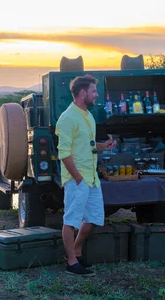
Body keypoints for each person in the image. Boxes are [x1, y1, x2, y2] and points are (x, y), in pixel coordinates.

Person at [55, 74, 117, 276]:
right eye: (93, 91)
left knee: (94, 218)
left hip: (92, 177)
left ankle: (77, 251)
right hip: (77, 178)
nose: (96, 95)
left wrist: (102, 146)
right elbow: (63, 153)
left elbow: (88, 146)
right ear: (83, 93)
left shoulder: (88, 116)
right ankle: (71, 263)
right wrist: (77, 177)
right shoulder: (67, 118)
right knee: (71, 220)